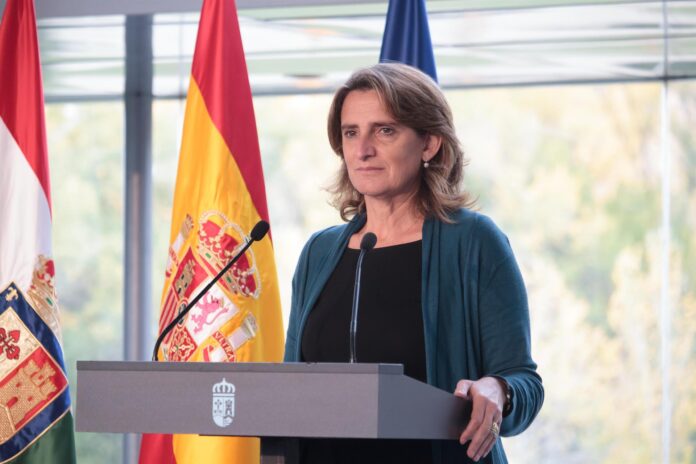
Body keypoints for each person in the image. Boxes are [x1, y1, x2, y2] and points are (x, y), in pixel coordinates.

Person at [284, 63, 543, 464]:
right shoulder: (319, 252)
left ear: (429, 144)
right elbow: (287, 387)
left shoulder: (473, 242)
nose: (362, 149)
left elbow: (525, 383)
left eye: (384, 131)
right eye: (351, 133)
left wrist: (498, 389)